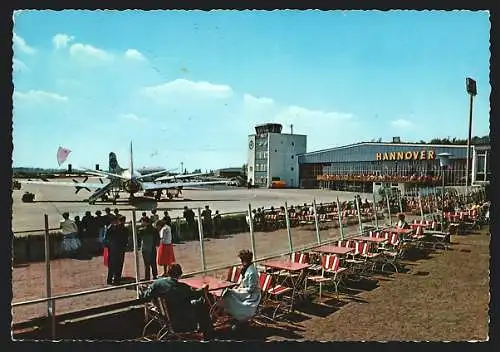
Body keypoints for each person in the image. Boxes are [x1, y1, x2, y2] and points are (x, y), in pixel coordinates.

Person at [140, 264, 214, 340]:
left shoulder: (157, 283)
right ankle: (208, 334)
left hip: (163, 315)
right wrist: (203, 288)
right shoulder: (182, 287)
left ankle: (204, 331)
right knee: (201, 304)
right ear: (180, 274)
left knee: (196, 304)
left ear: (168, 273)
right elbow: (195, 294)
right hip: (179, 318)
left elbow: (146, 295)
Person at [220, 249, 261, 330]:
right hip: (245, 291)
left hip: (252, 295)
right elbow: (243, 283)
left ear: (245, 261)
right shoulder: (246, 269)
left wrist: (238, 291)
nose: (241, 262)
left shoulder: (252, 272)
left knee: (228, 294)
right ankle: (233, 315)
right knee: (227, 292)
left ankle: (239, 317)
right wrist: (237, 288)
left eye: (242, 260)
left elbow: (251, 289)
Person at [105, 216, 129, 285]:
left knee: (112, 265)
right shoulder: (124, 229)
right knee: (119, 265)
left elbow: (107, 240)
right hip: (120, 249)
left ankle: (109, 279)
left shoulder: (111, 229)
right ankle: (116, 280)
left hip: (112, 250)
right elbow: (125, 240)